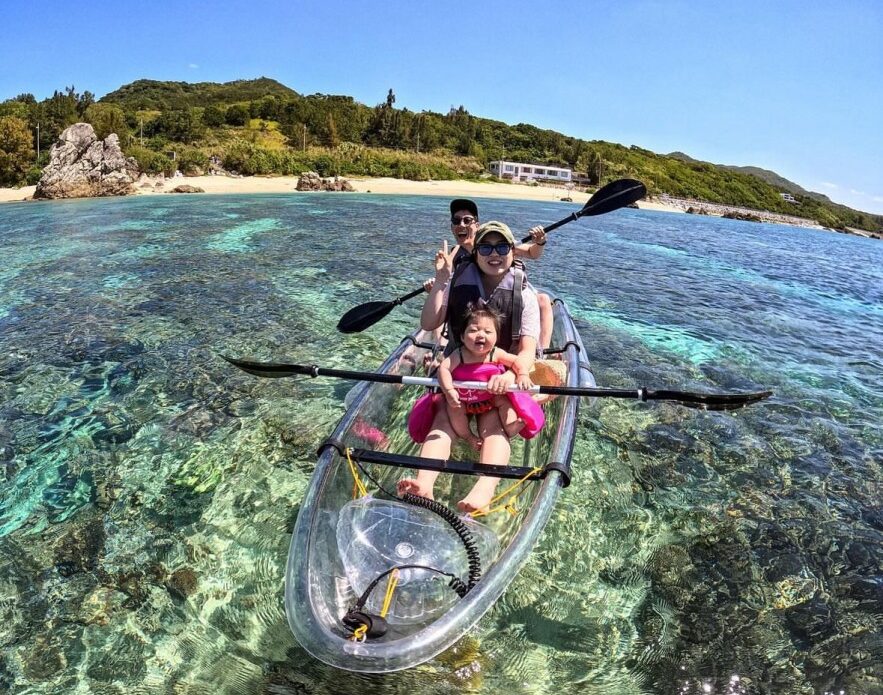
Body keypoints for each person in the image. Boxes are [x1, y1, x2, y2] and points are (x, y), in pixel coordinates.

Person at [398, 221, 541, 513]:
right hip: (458, 378)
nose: (494, 254)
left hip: (495, 381)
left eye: (502, 247)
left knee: (495, 428)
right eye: (486, 247)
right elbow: (428, 325)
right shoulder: (457, 282)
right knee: (441, 424)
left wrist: (513, 375)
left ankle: (484, 489)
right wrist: (441, 280)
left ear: (513, 252)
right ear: (475, 253)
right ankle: (424, 484)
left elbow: (527, 351)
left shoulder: (524, 296)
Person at [446, 199, 554, 349]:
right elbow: (448, 291)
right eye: (456, 221)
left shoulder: (501, 244)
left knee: (543, 300)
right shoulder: (453, 255)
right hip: (478, 298)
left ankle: (542, 351)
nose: (461, 225)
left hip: (507, 293)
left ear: (476, 225)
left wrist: (540, 242)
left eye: (467, 220)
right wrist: (436, 286)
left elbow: (531, 252)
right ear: (452, 226)